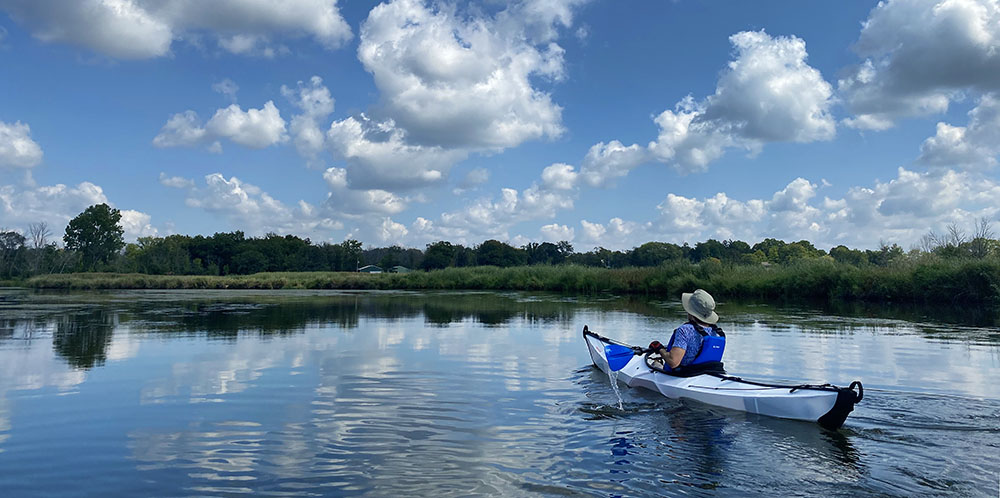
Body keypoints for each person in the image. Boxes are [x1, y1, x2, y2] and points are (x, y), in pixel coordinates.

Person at [648, 289, 725, 372]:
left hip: (684, 374)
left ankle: (657, 361)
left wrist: (659, 348)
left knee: (654, 364)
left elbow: (673, 362)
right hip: (706, 372)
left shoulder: (684, 330)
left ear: (691, 311)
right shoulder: (715, 331)